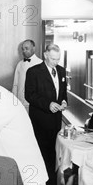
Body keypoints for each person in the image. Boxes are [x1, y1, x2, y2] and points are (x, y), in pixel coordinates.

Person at [24, 43, 68, 175]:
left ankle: (53, 180)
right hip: (40, 119)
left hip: (56, 119)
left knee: (54, 150)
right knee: (42, 151)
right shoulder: (33, 71)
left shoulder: (61, 71)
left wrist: (64, 101)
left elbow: (63, 91)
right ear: (45, 55)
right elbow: (29, 95)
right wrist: (48, 104)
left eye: (58, 59)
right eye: (53, 59)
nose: (56, 62)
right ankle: (42, 178)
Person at [12, 39, 42, 111]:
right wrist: (14, 101)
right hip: (20, 103)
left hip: (34, 104)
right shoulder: (19, 64)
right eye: (23, 49)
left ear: (33, 48)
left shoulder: (41, 64)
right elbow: (15, 84)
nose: (24, 51)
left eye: (26, 48)